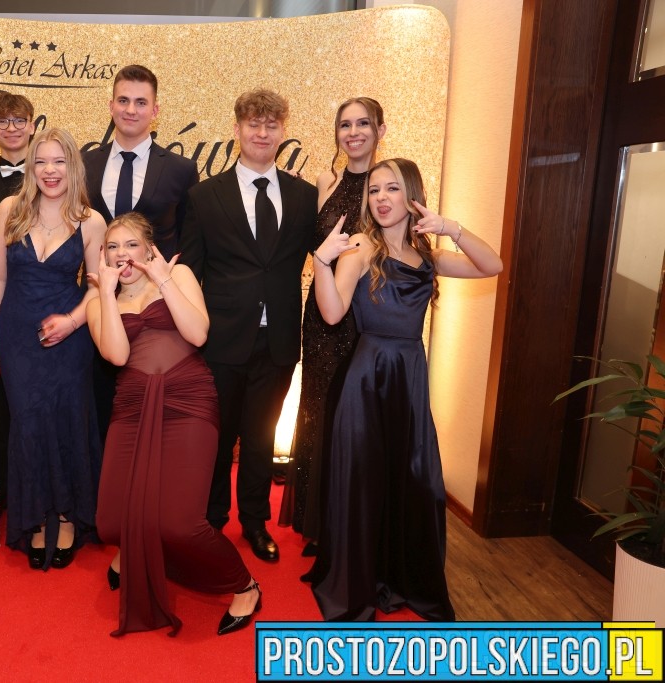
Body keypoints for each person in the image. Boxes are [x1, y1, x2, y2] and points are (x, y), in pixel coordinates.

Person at [309, 158, 503, 621]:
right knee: (365, 482)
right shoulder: (360, 248)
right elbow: (332, 313)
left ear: (411, 194)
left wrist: (451, 227)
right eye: (374, 190)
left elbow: (492, 265)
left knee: (415, 479)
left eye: (391, 188)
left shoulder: (427, 257)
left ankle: (402, 576)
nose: (380, 198)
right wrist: (321, 261)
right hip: (367, 378)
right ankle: (358, 580)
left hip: (410, 377)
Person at [89, 213, 260, 637]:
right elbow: (116, 355)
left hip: (188, 398)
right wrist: (107, 294)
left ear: (149, 248)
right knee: (110, 521)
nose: (122, 254)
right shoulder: (97, 301)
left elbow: (198, 334)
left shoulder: (178, 273)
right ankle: (136, 546)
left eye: (131, 244)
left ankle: (245, 585)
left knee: (180, 524)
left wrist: (163, 279)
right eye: (113, 247)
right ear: (103, 256)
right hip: (133, 405)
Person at [179, 89, 318, 563]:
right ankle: (212, 519)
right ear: (237, 129)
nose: (262, 133)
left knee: (261, 438)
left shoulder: (304, 196)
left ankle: (255, 523)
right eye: (253, 124)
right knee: (216, 439)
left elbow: (322, 256)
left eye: (271, 125)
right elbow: (190, 270)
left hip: (278, 339)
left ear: (283, 131)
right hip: (220, 340)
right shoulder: (204, 195)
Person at [0, 127, 106, 570]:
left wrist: (72, 322)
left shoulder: (91, 221)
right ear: (30, 167)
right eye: (41, 161)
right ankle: (35, 518)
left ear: (73, 166)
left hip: (69, 337)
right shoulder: (9, 210)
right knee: (28, 425)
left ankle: (68, 517)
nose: (50, 171)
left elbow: (100, 288)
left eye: (59, 161)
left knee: (69, 420)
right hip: (17, 335)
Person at [278, 97, 386, 559]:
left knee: (356, 416)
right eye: (345, 124)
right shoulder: (326, 181)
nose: (354, 132)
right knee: (318, 409)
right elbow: (311, 246)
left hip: (366, 314)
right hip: (322, 314)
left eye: (363, 124)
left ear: (381, 130)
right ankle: (317, 521)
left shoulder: (387, 184)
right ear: (336, 132)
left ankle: (352, 521)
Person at [84, 65, 200, 442]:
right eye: (123, 100)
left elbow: (188, 240)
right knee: (102, 416)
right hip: (102, 305)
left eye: (140, 102)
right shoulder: (85, 165)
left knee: (160, 429)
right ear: (111, 106)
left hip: (158, 318)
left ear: (155, 110)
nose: (130, 109)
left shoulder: (181, 170)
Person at [0, 92, 37, 517]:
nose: (12, 128)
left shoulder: (53, 177)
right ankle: (5, 497)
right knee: (0, 405)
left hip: (43, 301)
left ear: (32, 125)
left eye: (19, 120)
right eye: (3, 121)